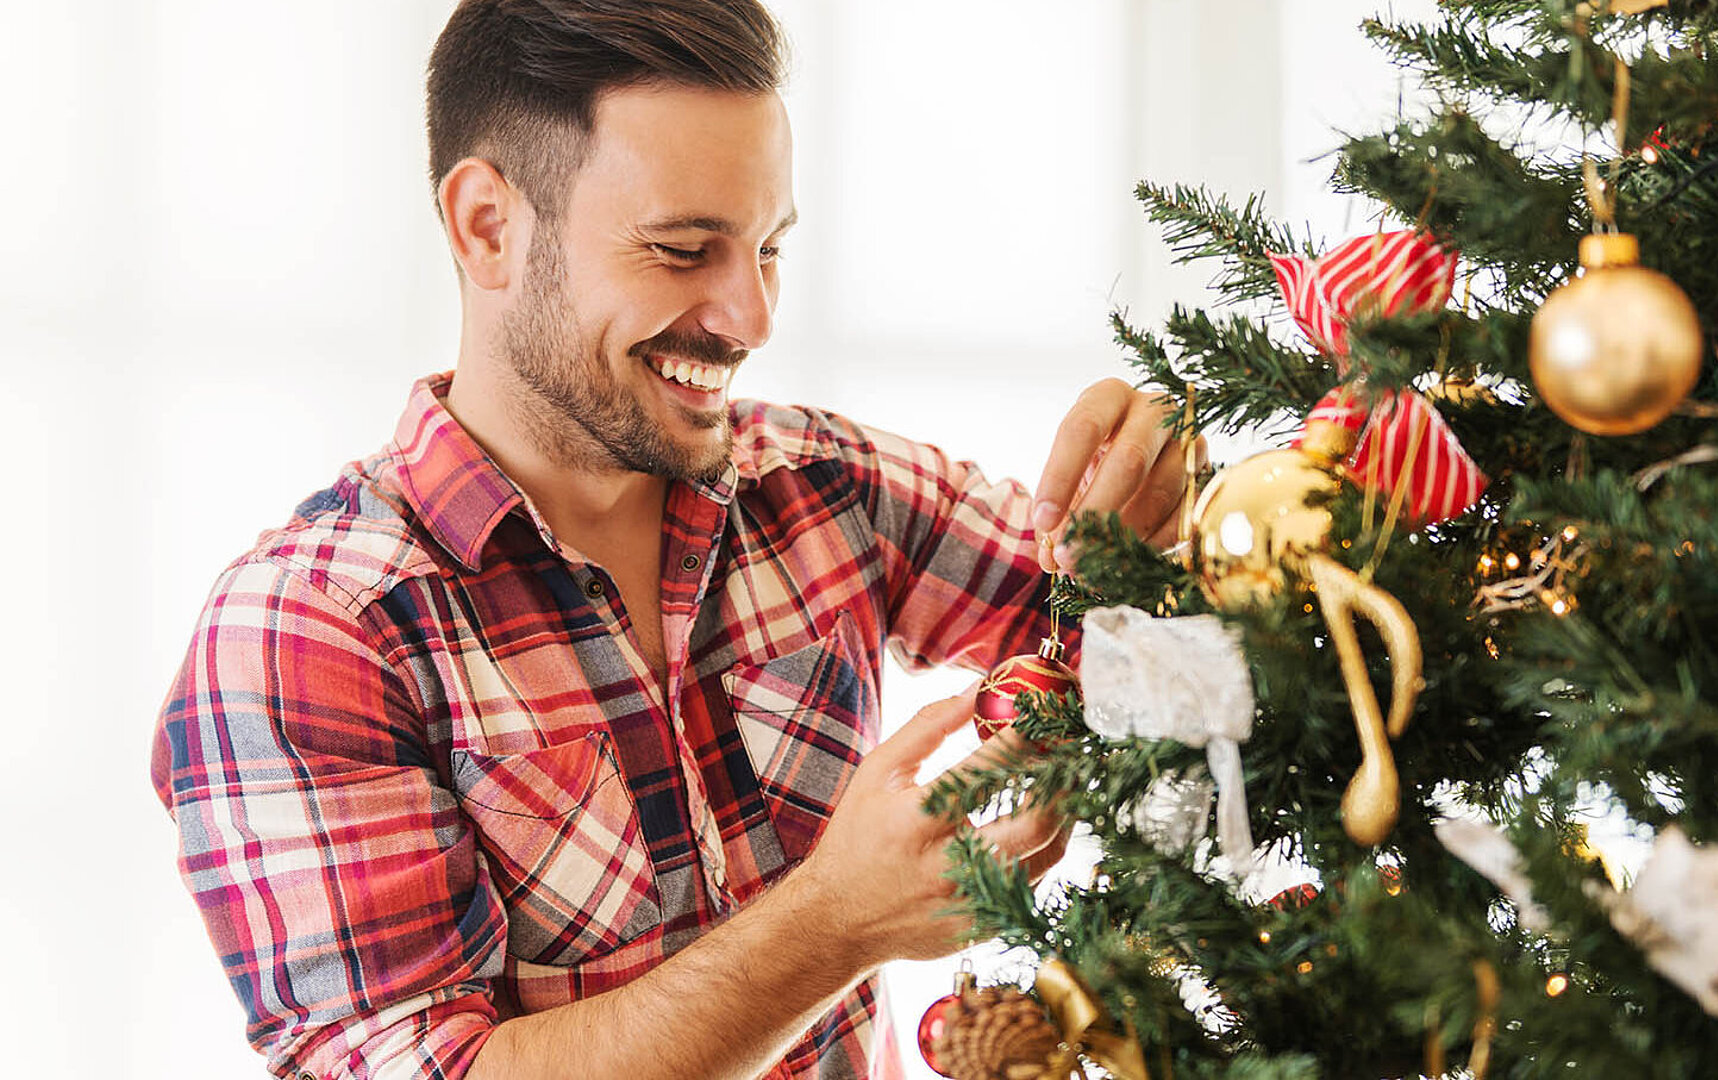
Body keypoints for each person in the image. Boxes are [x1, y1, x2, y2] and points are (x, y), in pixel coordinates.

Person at [151, 2, 1192, 1078]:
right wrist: (834, 926)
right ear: (488, 228)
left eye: (768, 248)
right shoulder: (308, 634)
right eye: (682, 249)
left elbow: (1149, 650)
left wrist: (1161, 513)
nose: (749, 316)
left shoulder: (828, 490)